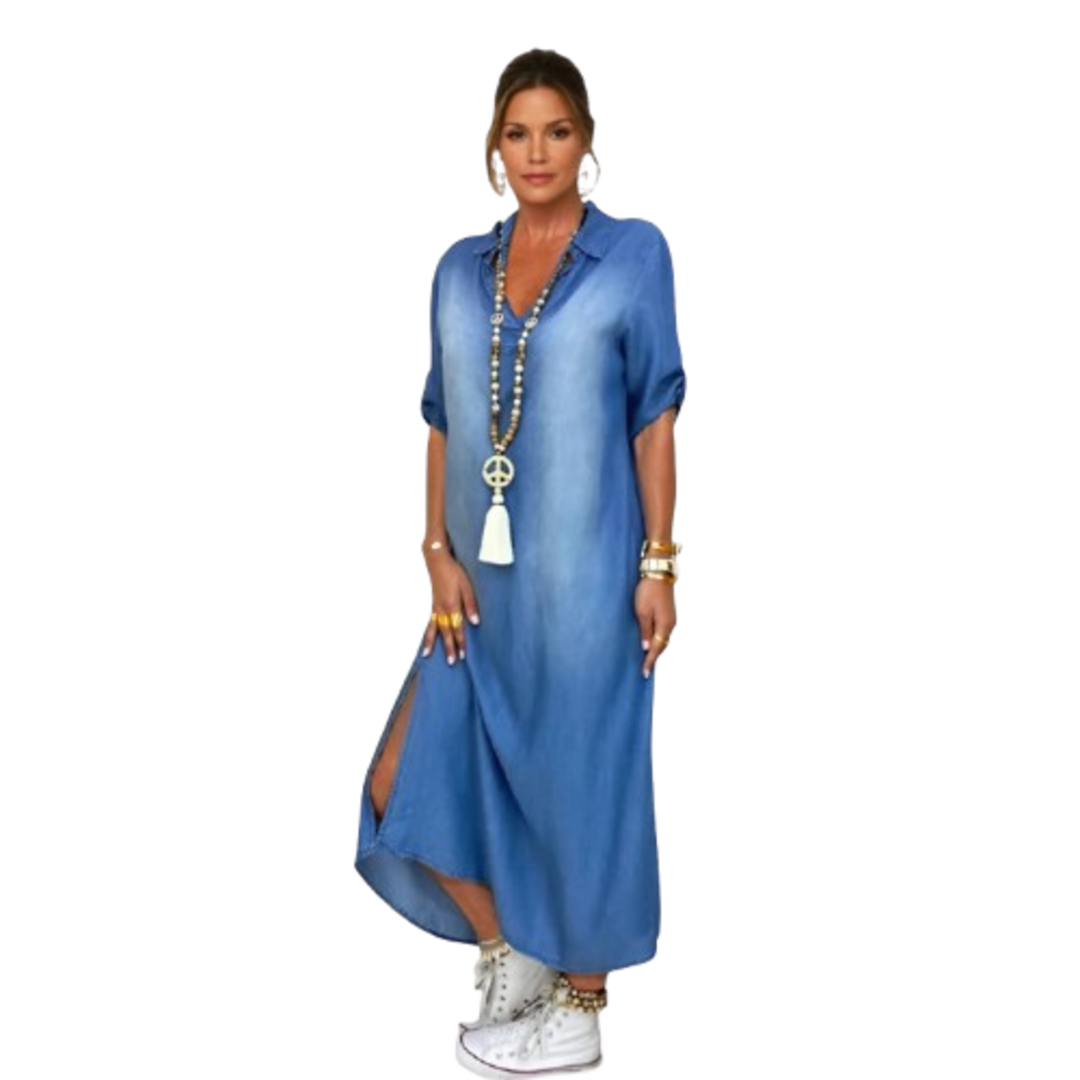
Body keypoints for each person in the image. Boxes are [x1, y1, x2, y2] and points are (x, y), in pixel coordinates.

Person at [352, 45, 687, 1079]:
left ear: (587, 144)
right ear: (493, 148)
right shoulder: (457, 267)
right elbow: (440, 418)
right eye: (517, 132)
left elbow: (655, 414)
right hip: (475, 597)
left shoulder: (632, 253)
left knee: (578, 787)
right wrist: (433, 551)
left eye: (558, 131)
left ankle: (582, 1010)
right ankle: (513, 951)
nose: (537, 152)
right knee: (401, 779)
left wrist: (661, 563)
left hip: (585, 594)